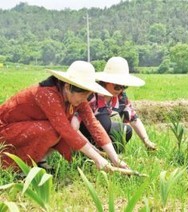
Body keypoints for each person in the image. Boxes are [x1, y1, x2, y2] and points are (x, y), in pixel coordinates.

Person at [0, 61, 128, 172]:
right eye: (83, 94)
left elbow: (94, 125)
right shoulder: (47, 94)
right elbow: (64, 129)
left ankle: (38, 161)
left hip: (26, 130)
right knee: (52, 131)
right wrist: (98, 158)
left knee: (59, 136)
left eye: (88, 95)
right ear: (67, 87)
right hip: (6, 132)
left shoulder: (77, 98)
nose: (85, 99)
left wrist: (115, 159)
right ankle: (18, 167)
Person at [78, 56, 156, 153]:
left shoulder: (120, 97)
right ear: (106, 82)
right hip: (82, 131)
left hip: (101, 132)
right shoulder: (92, 95)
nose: (121, 90)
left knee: (126, 130)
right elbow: (75, 122)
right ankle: (88, 153)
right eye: (117, 86)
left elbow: (133, 118)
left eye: (124, 86)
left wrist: (146, 140)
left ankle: (109, 155)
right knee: (104, 121)